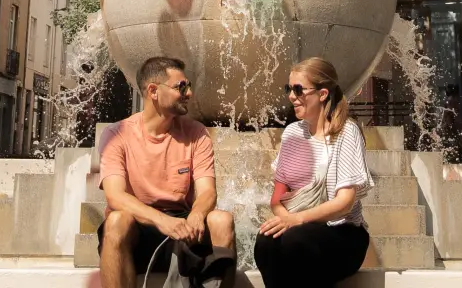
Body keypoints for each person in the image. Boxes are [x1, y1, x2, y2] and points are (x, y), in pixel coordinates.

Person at [99, 56, 235, 288]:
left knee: (222, 220)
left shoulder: (196, 133)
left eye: (188, 86)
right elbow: (115, 196)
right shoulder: (117, 134)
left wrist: (196, 215)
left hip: (184, 228)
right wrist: (161, 221)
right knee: (116, 221)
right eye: (181, 87)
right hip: (138, 230)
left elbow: (207, 192)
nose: (189, 93)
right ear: (153, 91)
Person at [255, 57, 372, 288]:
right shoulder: (291, 134)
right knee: (265, 242)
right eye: (289, 89)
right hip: (299, 228)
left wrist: (295, 219)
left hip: (344, 235)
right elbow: (278, 198)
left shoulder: (345, 132)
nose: (291, 96)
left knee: (295, 242)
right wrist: (285, 218)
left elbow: (345, 203)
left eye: (298, 90)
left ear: (322, 94)